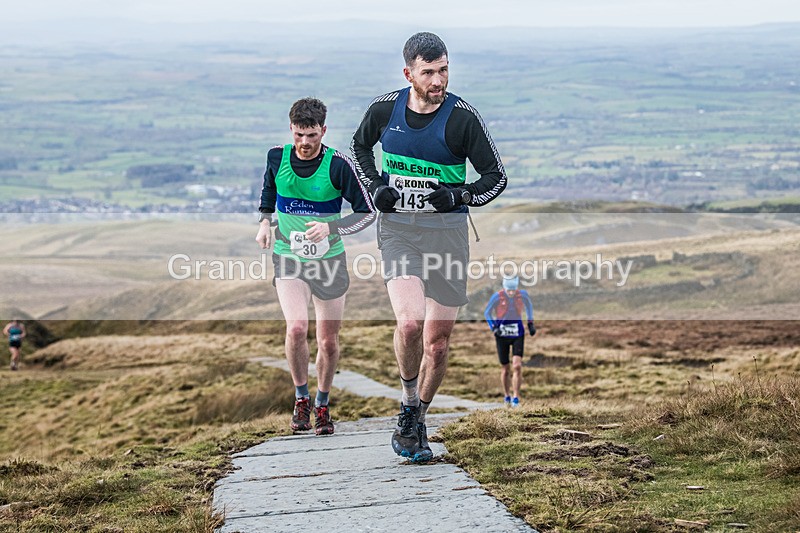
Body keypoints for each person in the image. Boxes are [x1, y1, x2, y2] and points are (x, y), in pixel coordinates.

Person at [351, 32, 507, 462]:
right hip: (399, 230)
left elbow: (495, 177)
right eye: (428, 72)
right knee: (409, 324)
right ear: (409, 74)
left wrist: (458, 194)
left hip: (448, 235)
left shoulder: (463, 118)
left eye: (443, 70)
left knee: (437, 344)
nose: (438, 80)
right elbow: (359, 147)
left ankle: (418, 416)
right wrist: (376, 186)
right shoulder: (385, 109)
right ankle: (407, 404)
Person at [256, 97, 375, 436]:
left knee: (328, 341)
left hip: (328, 261)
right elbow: (269, 191)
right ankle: (301, 399)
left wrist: (330, 227)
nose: (304, 142)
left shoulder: (338, 164)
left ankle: (322, 402)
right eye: (298, 135)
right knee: (296, 329)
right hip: (289, 256)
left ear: (323, 130)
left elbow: (367, 212)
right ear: (290, 130)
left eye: (311, 135)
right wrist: (264, 222)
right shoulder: (277, 157)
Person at [484, 276, 535, 407]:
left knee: (517, 366)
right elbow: (487, 313)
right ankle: (507, 395)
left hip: (518, 334)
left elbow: (529, 306)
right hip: (501, 335)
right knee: (505, 368)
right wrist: (493, 327)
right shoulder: (497, 297)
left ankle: (516, 398)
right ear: (504, 288)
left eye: (513, 290)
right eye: (509, 290)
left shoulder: (522, 295)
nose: (511, 292)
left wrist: (530, 323)